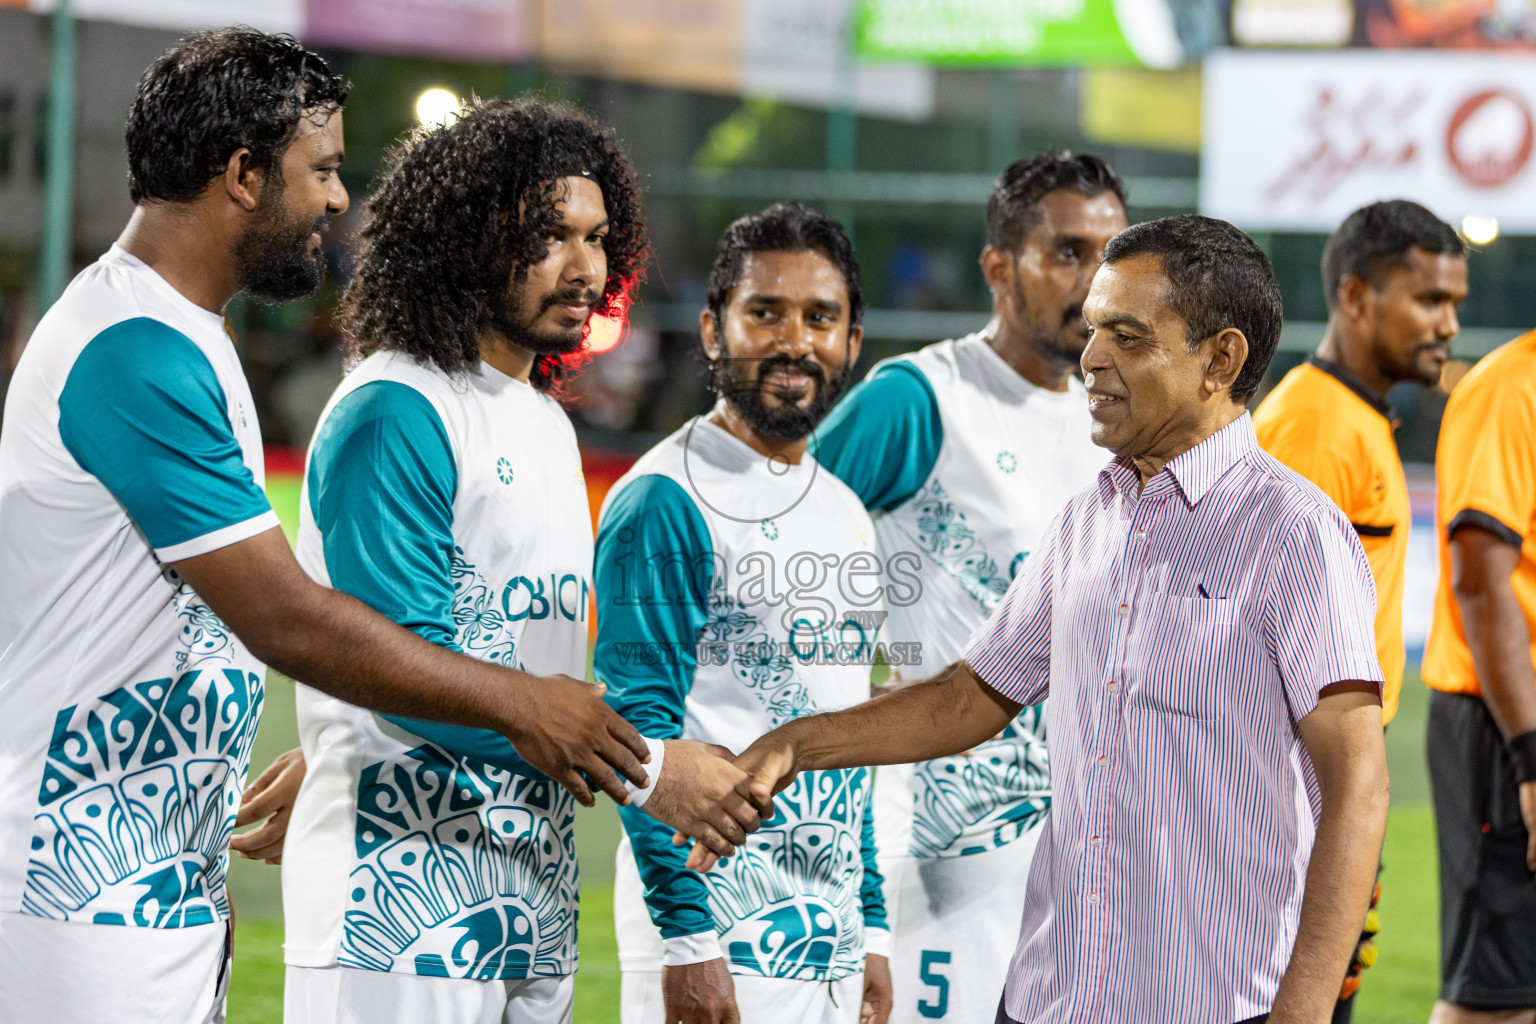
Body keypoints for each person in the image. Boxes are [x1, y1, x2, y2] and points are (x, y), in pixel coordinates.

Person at [0, 30, 736, 1024]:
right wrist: (639, 764)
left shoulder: (188, 340)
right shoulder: (140, 351)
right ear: (244, 174)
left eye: (598, 237)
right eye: (325, 171)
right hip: (97, 876)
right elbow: (292, 621)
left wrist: (342, 735)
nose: (341, 200)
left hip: (170, 872)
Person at [707, 214, 1392, 1023]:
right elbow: (970, 698)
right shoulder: (1089, 517)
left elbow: (1360, 786)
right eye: (1097, 328)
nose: (1093, 357)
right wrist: (799, 742)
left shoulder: (1295, 533)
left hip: (1211, 1004)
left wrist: (1305, 1010)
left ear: (1221, 360)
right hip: (1050, 995)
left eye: (1128, 337)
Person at [279, 96, 758, 1024]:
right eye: (550, 236)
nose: (588, 268)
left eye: (599, 237)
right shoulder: (396, 409)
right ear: (466, 237)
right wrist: (654, 773)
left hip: (531, 892)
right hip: (397, 908)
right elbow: (395, 662)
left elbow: (515, 663)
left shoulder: (539, 418)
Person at [811, 152, 1125, 1023]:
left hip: (1079, 858)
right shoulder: (920, 402)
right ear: (998, 267)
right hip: (938, 855)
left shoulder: (1114, 422)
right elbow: (777, 536)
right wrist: (853, 673)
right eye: (1067, 253)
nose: (1094, 283)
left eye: (1110, 258)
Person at [596, 203, 893, 1024]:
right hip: (718, 941)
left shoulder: (843, 510)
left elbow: (849, 738)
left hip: (828, 940)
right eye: (764, 312)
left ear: (852, 343)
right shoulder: (666, 497)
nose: (795, 341)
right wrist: (690, 948)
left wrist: (872, 932)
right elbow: (636, 732)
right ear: (713, 330)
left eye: (820, 318)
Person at [1254, 199, 1466, 1021]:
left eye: (1453, 300)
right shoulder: (1312, 428)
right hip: (1301, 789)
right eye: (1428, 299)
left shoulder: (1353, 418)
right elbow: (1258, 626)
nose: (1448, 323)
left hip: (1336, 780)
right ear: (1354, 297)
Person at [1422, 328, 1536, 1024]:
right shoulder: (1508, 388)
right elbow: (1482, 585)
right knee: (1496, 1000)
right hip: (1507, 721)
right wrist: (1530, 755)